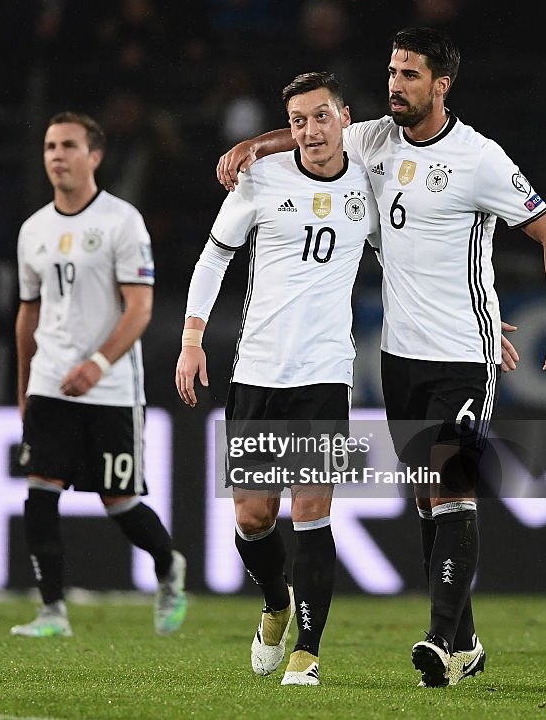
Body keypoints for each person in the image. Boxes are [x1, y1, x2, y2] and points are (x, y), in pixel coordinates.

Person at [215, 27, 546, 688]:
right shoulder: (376, 140)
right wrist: (254, 145)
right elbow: (311, 135)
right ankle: (465, 640)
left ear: (442, 84)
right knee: (425, 495)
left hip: (464, 354)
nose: (395, 84)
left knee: (450, 483)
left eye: (410, 75)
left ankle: (440, 642)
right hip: (400, 357)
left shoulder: (480, 159)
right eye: (392, 71)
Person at [178, 72, 377, 686]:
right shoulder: (261, 180)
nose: (310, 130)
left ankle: (308, 654)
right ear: (286, 128)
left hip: (324, 374)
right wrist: (191, 340)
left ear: (345, 119)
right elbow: (215, 255)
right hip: (258, 370)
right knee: (253, 518)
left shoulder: (370, 183)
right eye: (297, 121)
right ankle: (275, 604)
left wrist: (481, 312)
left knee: (312, 511)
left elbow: (416, 261)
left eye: (321, 116)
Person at [13, 111, 187, 637]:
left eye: (68, 146)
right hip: (50, 379)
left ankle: (168, 565)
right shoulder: (33, 230)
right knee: (40, 490)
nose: (57, 156)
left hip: (110, 386)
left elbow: (140, 309)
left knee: (118, 499)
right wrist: (24, 386)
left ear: (95, 156)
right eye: (49, 147)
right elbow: (28, 314)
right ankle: (52, 612)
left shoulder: (121, 221)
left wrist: (98, 364)